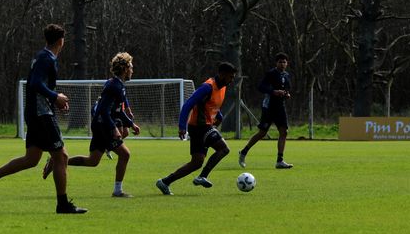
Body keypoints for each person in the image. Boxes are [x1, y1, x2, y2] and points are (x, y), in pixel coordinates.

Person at [0, 23, 87, 214]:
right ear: (61, 41)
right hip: (42, 115)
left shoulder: (42, 56)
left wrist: (56, 99)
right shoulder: (47, 58)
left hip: (37, 113)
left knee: (31, 159)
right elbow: (35, 84)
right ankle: (62, 204)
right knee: (62, 157)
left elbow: (38, 86)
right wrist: (55, 97)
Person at [52, 51, 139, 197]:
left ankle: (57, 162)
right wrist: (113, 129)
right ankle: (118, 191)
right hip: (103, 125)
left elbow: (117, 111)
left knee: (93, 161)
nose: (132, 70)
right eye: (130, 67)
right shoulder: (114, 86)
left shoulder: (117, 84)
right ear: (124, 69)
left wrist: (131, 124)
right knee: (125, 154)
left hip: (100, 124)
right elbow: (103, 110)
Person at [156, 61, 237, 195]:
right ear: (222, 74)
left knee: (196, 163)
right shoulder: (207, 87)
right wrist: (182, 126)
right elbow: (188, 104)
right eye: (231, 76)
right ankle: (202, 176)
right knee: (223, 149)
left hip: (205, 126)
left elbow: (211, 105)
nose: (232, 80)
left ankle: (165, 182)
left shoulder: (223, 86)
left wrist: (219, 116)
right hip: (199, 127)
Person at [238, 52, 294, 169]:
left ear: (287, 63)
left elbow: (287, 89)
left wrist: (287, 95)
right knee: (262, 133)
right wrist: (274, 91)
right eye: (280, 62)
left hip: (280, 107)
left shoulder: (287, 75)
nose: (282, 64)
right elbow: (261, 87)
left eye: (284, 62)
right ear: (276, 63)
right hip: (269, 107)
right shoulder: (271, 74)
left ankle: (280, 160)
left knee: (284, 132)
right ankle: (243, 152)